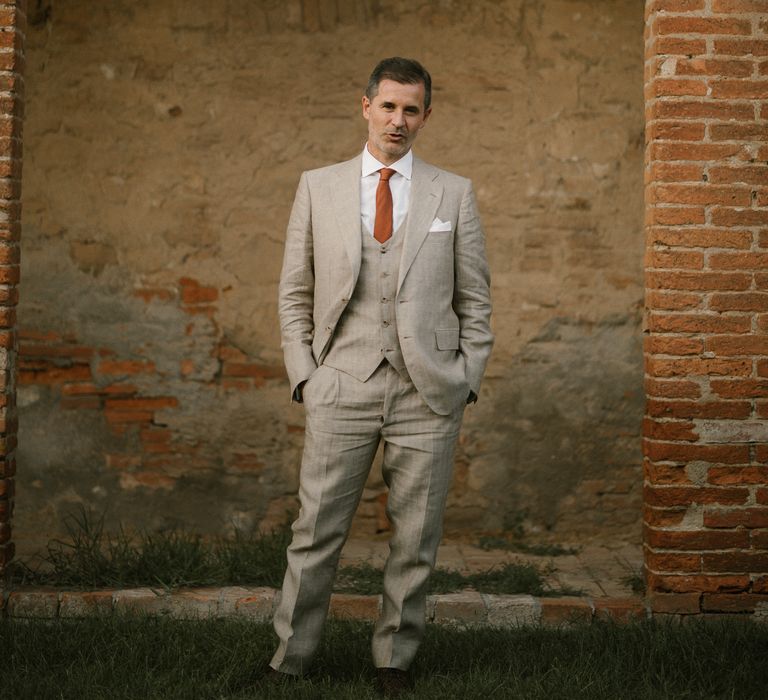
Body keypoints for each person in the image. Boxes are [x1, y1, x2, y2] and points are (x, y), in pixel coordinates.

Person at [268, 56, 493, 696]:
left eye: (412, 109)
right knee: (315, 532)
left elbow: (475, 299)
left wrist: (466, 376)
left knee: (416, 536)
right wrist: (306, 376)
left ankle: (394, 660)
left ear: (426, 115)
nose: (399, 120)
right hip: (342, 381)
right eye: (388, 106)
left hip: (429, 390)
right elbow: (294, 291)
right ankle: (291, 658)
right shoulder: (319, 185)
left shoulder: (454, 192)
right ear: (365, 106)